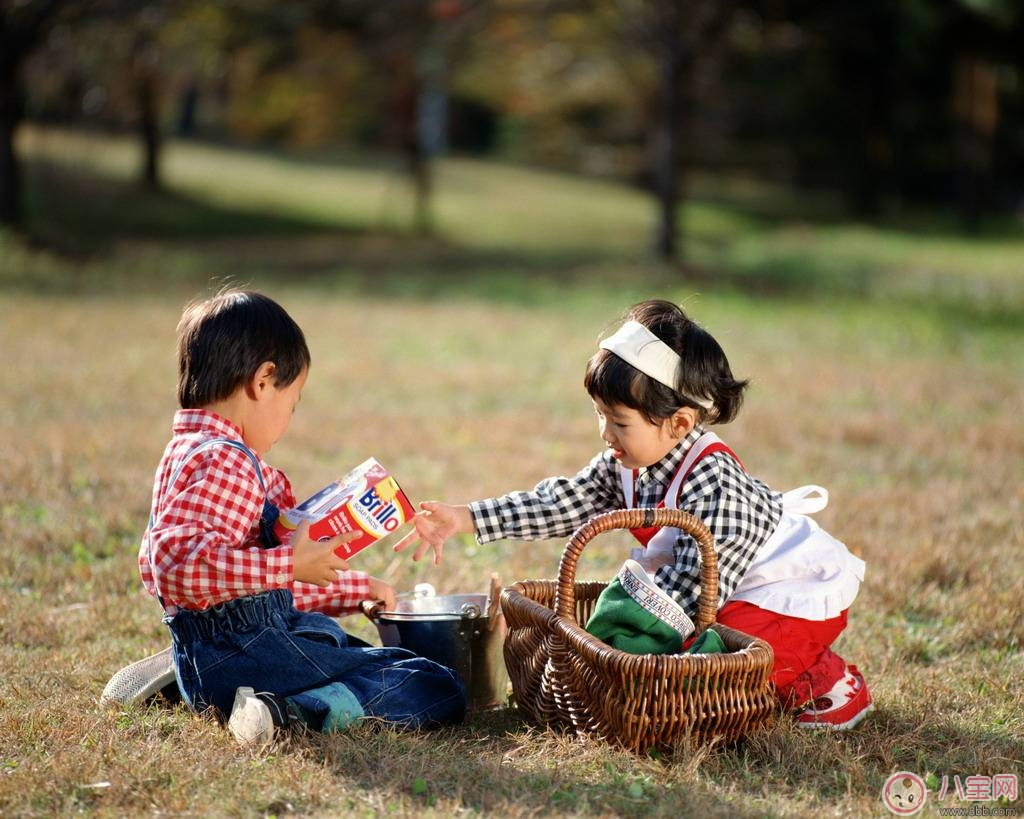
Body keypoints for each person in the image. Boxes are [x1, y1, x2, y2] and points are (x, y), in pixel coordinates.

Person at [395, 299, 872, 730]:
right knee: (703, 655)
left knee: (733, 666)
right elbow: (562, 501)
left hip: (785, 593)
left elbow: (695, 595)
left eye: (619, 421)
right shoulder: (627, 461)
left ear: (680, 423)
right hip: (725, 591)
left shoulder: (716, 485)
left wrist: (627, 650)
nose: (605, 433)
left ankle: (827, 680)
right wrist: (466, 517)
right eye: (599, 414)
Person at [137, 289, 465, 746]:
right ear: (263, 381)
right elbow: (175, 566)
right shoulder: (223, 461)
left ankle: (191, 674)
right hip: (245, 651)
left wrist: (356, 589)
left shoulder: (191, 451)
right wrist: (288, 564)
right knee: (431, 683)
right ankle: (285, 711)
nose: (290, 418)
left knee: (332, 641)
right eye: (292, 403)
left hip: (236, 643)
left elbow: (248, 580)